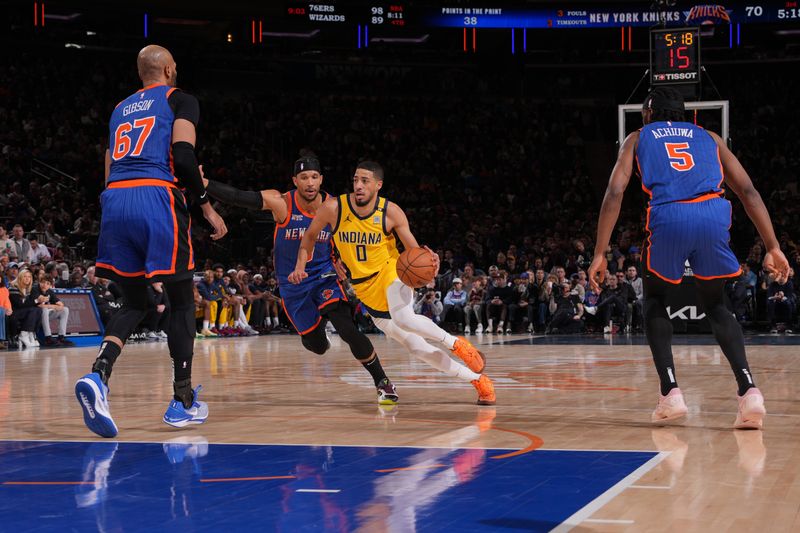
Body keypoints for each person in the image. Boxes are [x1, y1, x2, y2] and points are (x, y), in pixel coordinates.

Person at [588, 87, 789, 429]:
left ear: (649, 114)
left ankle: (670, 392)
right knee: (717, 305)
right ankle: (749, 391)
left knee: (654, 299)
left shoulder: (638, 137)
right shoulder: (709, 136)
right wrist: (773, 246)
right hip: (713, 214)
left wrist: (599, 253)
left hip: (670, 216)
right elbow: (748, 191)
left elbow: (615, 191)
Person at [75, 44, 228, 438]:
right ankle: (182, 401)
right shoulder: (180, 99)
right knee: (180, 301)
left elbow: (109, 162)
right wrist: (206, 208)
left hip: (116, 197)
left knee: (135, 301)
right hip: (155, 196)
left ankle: (99, 375)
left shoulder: (118, 108)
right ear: (170, 68)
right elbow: (182, 152)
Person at [289, 160, 495, 405]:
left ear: (378, 185)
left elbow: (414, 251)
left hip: (391, 272)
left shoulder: (391, 212)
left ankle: (458, 346)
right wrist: (300, 265)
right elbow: (310, 237)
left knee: (404, 318)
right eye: (356, 180)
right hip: (365, 289)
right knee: (417, 349)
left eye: (365, 181)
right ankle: (478, 381)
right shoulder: (333, 208)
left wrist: (429, 263)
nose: (359, 186)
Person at [202, 155, 399, 404]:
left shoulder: (335, 206)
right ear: (295, 181)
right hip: (293, 284)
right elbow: (241, 197)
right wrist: (205, 183)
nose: (309, 182)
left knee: (347, 328)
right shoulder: (282, 203)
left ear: (321, 180)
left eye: (314, 177)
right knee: (316, 345)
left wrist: (340, 259)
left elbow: (351, 234)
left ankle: (382, 382)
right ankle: (319, 334)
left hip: (324, 276)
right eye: (304, 177)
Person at [33, 275, 76, 346]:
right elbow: (39, 305)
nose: (44, 285)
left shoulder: (50, 292)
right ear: (39, 282)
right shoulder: (35, 289)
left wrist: (52, 306)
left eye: (47, 283)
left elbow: (61, 305)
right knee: (44, 310)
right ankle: (48, 337)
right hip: (34, 316)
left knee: (65, 310)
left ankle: (61, 337)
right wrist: (53, 306)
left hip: (44, 315)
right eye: (43, 282)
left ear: (50, 285)